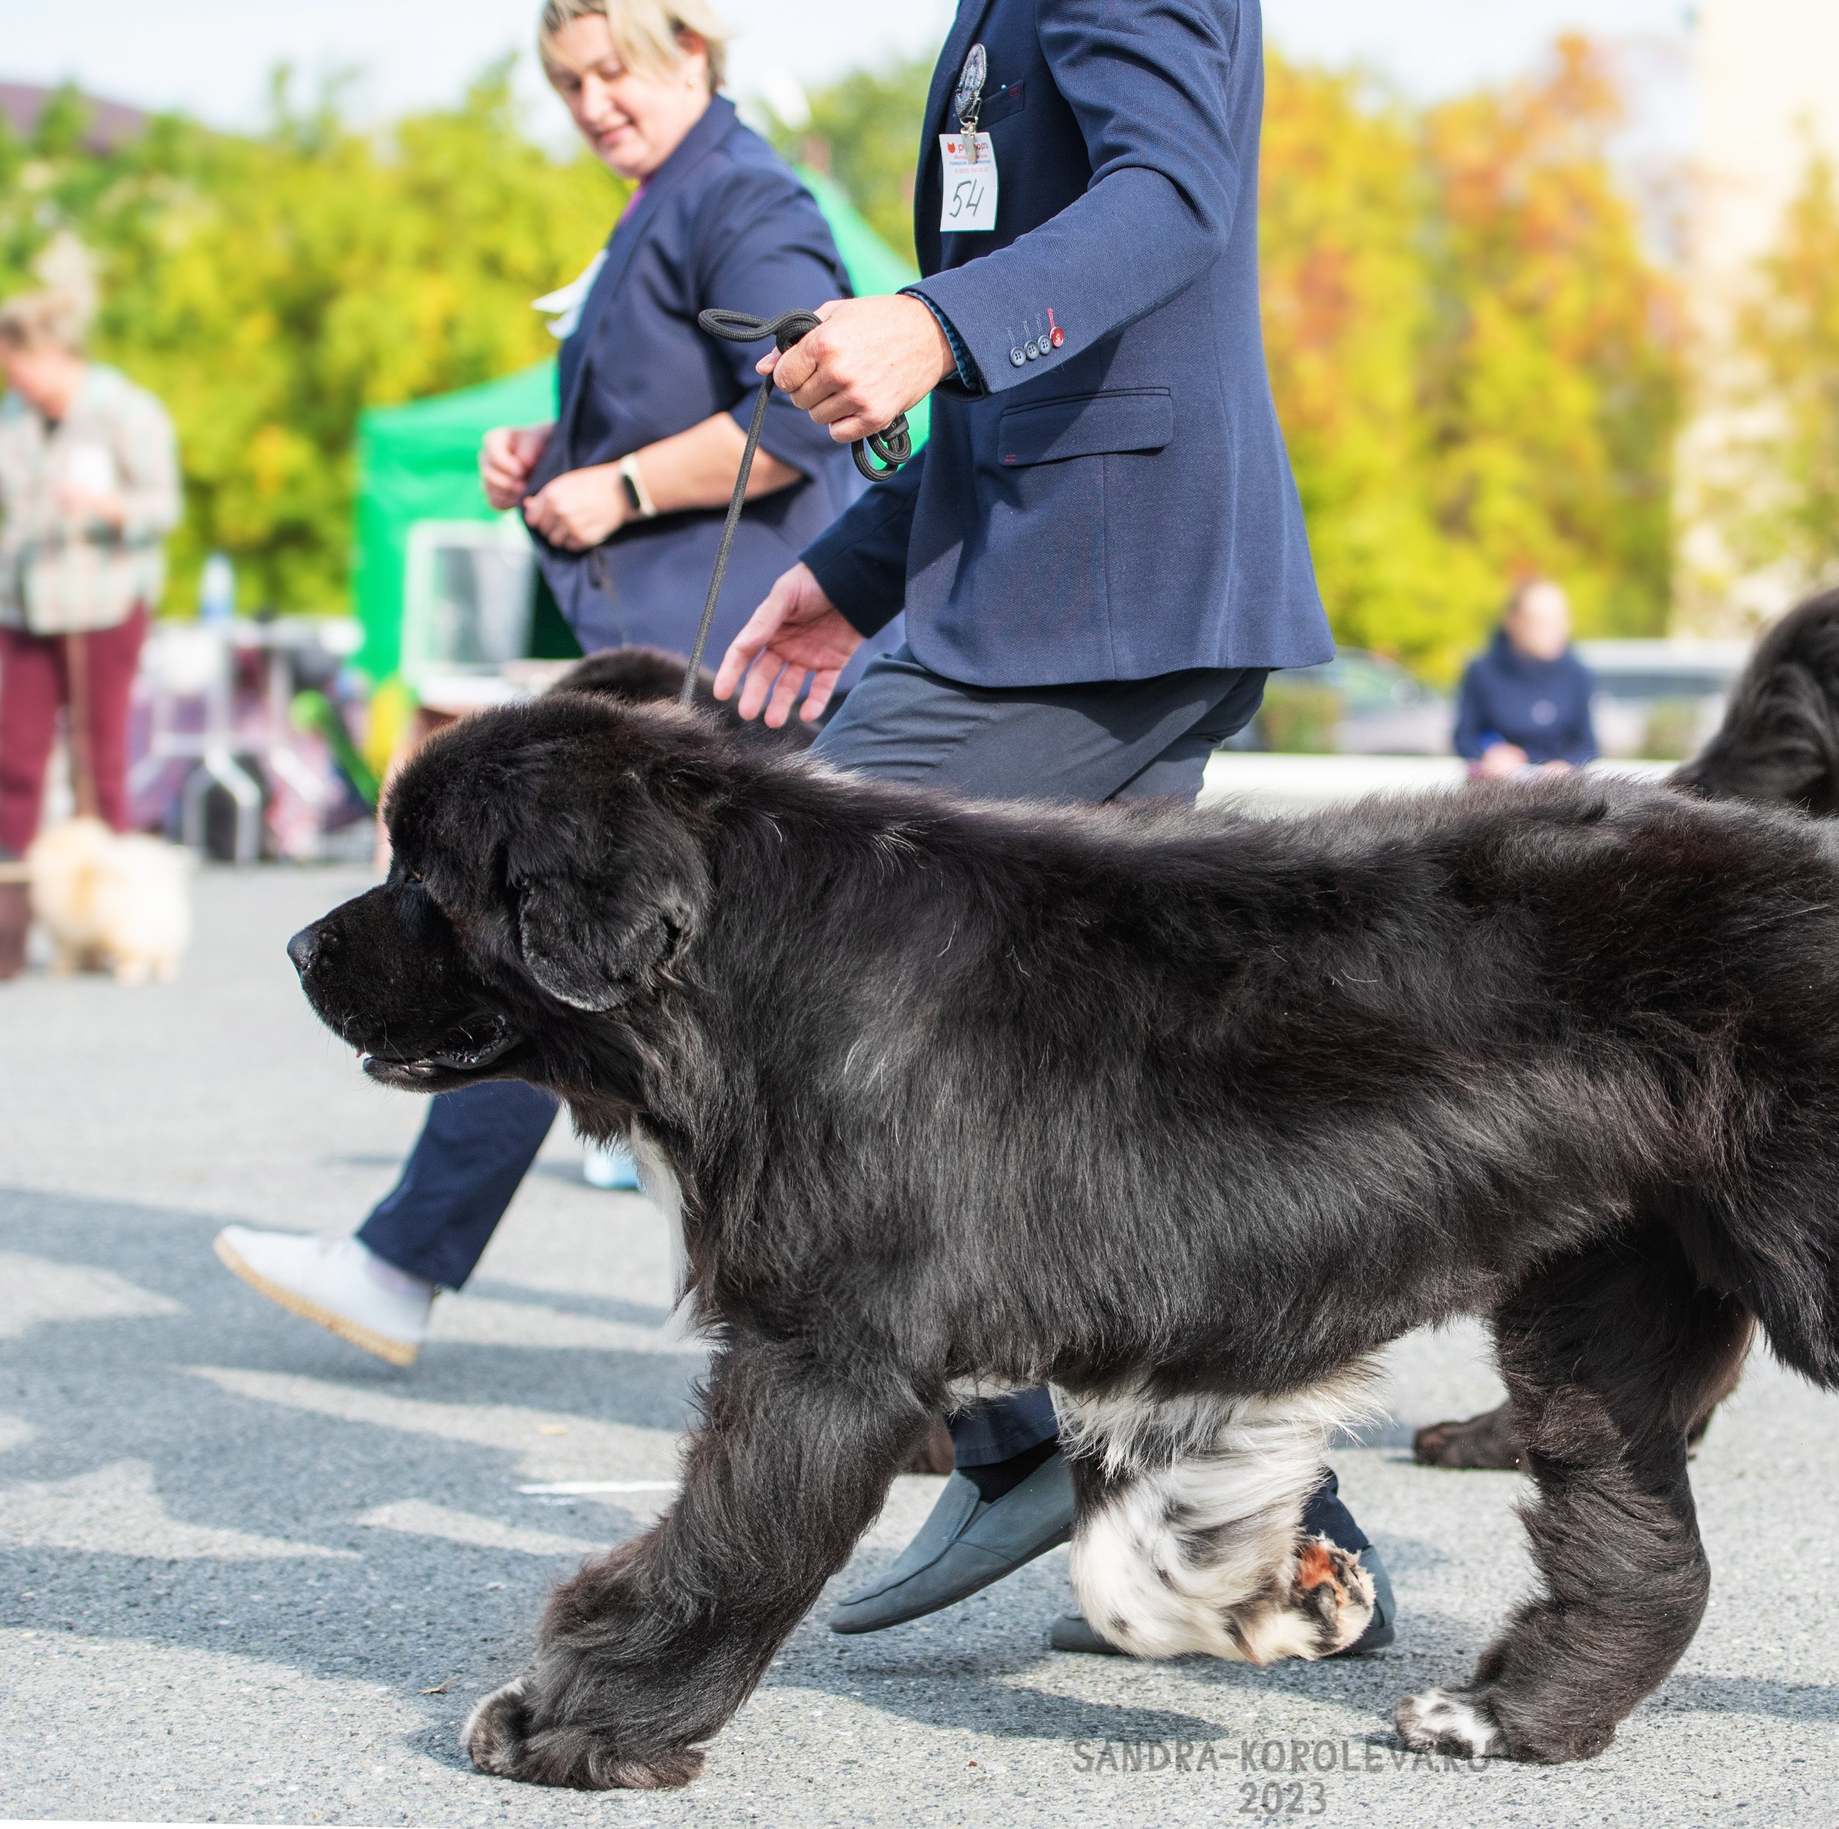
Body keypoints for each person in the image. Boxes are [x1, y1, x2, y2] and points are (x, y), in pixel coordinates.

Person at [706, 0, 1388, 1654]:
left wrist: (930, 324)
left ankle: (1015, 1435)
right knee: (1099, 1090)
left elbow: (1171, 200)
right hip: (1069, 577)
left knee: (771, 966)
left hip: (1105, 593)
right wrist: (853, 570)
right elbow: (1042, 352)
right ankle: (1279, 1541)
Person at [212, 0, 862, 1359]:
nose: (594, 104)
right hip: (672, 663)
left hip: (719, 668)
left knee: (538, 957)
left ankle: (408, 1259)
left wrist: (618, 481)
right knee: (570, 972)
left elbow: (802, 415)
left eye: (615, 70)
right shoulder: (665, 203)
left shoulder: (738, 198)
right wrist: (548, 453)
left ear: (694, 47)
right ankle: (412, 1258)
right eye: (570, 84)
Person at [0, 288, 180, 860]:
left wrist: (105, 506)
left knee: (98, 770)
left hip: (102, 605)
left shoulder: (127, 411)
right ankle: (2, 930)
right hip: (25, 605)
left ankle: (104, 917)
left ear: (50, 354)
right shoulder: (10, 416)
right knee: (16, 764)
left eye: (15, 368)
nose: (12, 381)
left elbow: (162, 506)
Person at [1453, 577, 1598, 780]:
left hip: (1558, 792)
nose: (1556, 630)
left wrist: (1567, 765)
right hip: (1498, 790)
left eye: (1561, 620)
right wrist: (1490, 753)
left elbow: (1587, 744)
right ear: (1513, 621)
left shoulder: (1577, 674)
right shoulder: (1483, 671)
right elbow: (1464, 738)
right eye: (1542, 622)